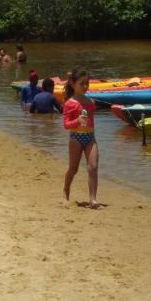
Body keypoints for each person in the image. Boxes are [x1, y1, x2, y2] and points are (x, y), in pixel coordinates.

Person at [61, 69, 100, 208]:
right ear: (72, 84)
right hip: (75, 138)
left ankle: (93, 199)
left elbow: (91, 121)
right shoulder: (69, 103)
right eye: (81, 83)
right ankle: (66, 191)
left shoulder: (91, 102)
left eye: (87, 83)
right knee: (73, 169)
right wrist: (77, 121)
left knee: (93, 167)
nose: (85, 86)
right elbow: (66, 125)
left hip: (90, 137)